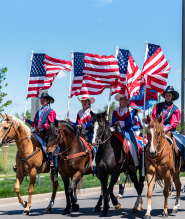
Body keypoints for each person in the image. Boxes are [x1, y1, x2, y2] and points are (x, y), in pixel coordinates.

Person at [13, 92, 58, 175]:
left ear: (48, 101)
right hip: (37, 133)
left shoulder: (51, 111)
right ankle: (22, 163)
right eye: (41, 100)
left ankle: (53, 164)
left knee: (51, 147)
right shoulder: (38, 112)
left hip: (47, 133)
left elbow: (52, 124)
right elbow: (34, 124)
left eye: (44, 100)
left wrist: (42, 126)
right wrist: (27, 120)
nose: (42, 101)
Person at [143, 86, 185, 164]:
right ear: (164, 96)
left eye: (169, 95)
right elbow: (153, 117)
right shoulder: (158, 106)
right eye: (166, 95)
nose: (168, 96)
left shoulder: (176, 109)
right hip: (157, 130)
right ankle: (144, 166)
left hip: (171, 131)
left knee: (182, 143)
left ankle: (181, 164)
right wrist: (147, 121)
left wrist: (166, 128)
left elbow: (174, 123)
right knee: (146, 145)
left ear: (172, 96)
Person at [111, 94, 139, 167]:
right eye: (124, 99)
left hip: (127, 132)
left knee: (131, 145)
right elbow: (113, 121)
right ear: (120, 100)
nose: (126, 101)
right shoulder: (115, 111)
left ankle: (134, 163)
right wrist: (108, 123)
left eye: (127, 99)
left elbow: (131, 123)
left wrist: (120, 122)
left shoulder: (131, 111)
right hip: (117, 131)